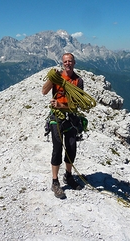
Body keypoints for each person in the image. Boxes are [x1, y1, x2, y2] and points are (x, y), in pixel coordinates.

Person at [42, 53, 83, 199]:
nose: (68, 63)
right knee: (57, 147)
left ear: (74, 63)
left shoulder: (78, 81)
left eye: (70, 61)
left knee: (71, 147)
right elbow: (44, 91)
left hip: (71, 117)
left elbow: (78, 103)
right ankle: (55, 181)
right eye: (65, 61)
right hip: (57, 118)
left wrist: (61, 105)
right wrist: (52, 78)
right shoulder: (57, 77)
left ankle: (68, 175)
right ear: (62, 63)